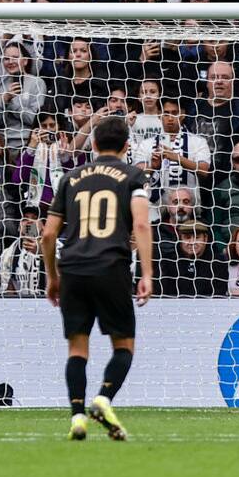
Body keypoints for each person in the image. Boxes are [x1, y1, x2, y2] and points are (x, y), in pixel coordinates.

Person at [41, 115, 153, 441]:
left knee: (77, 349)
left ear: (92, 144)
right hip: (111, 267)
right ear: (127, 147)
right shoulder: (133, 175)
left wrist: (52, 276)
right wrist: (147, 273)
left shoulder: (71, 178)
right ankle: (103, 399)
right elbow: (143, 225)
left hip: (72, 269)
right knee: (124, 345)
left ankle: (77, 417)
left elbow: (48, 234)